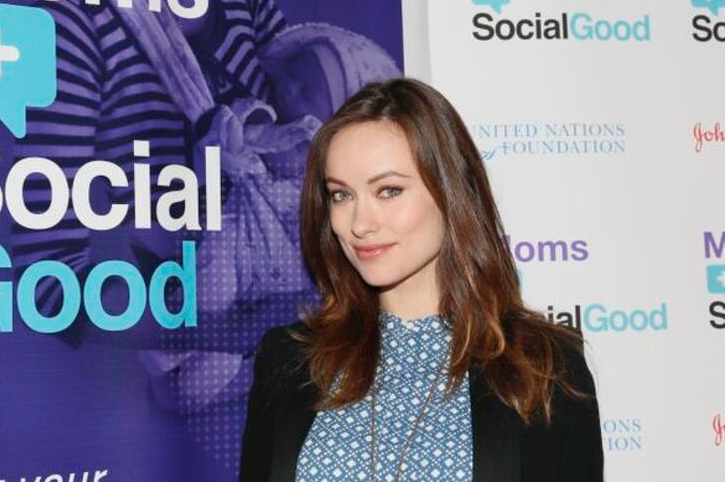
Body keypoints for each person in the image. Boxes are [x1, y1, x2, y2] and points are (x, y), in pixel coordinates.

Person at [238, 78, 604, 482]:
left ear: (451, 192)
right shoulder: (287, 359)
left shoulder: (544, 365)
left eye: (389, 191)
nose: (360, 223)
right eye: (341, 195)